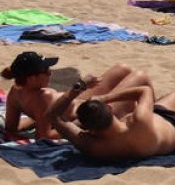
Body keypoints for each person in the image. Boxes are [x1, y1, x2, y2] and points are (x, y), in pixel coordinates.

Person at [3, 53, 150, 140]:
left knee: (122, 69)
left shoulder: (16, 91)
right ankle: (153, 118)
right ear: (31, 78)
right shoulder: (43, 96)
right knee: (140, 77)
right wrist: (75, 126)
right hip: (87, 114)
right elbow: (45, 136)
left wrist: (36, 120)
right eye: (45, 71)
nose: (50, 73)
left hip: (76, 103)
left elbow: (11, 127)